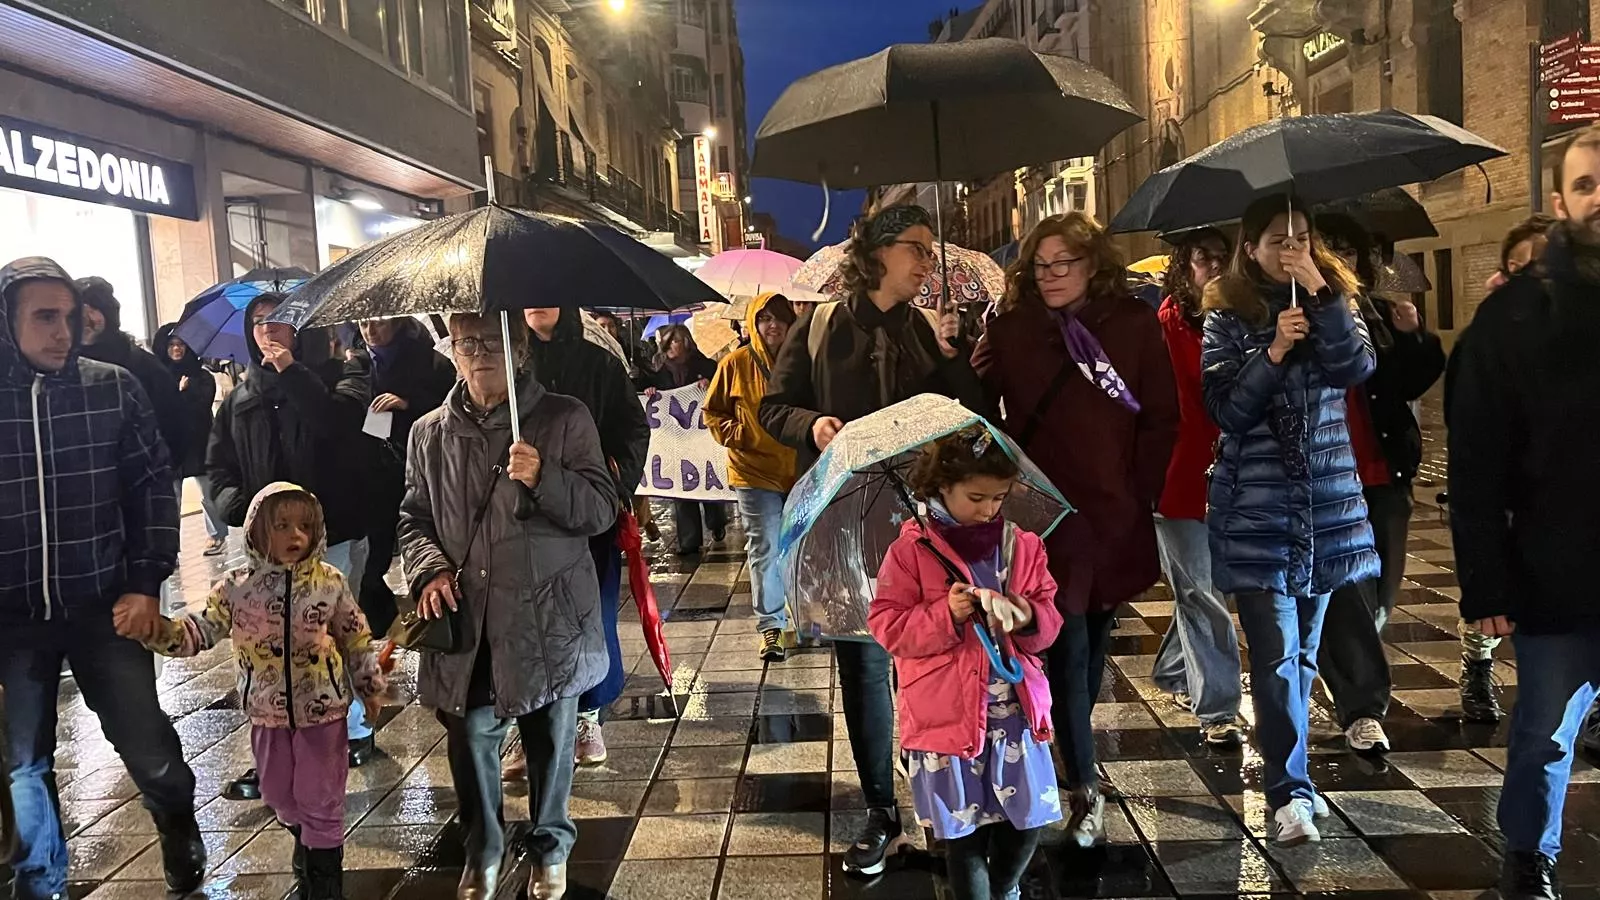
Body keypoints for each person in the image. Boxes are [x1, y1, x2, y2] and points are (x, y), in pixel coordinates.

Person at [760, 204, 990, 875]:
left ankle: (939, 800)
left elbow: (972, 414)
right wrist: (815, 425)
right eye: (917, 250)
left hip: (919, 524)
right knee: (862, 666)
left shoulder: (924, 331)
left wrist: (952, 359)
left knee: (925, 661)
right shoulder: (820, 324)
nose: (926, 264)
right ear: (880, 253)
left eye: (928, 252)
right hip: (846, 523)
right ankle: (882, 811)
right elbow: (775, 408)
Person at [0, 258, 205, 899]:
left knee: (148, 748)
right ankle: (41, 881)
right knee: (23, 765)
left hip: (104, 606)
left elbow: (152, 493)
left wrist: (146, 583)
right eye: (44, 317)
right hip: (12, 620)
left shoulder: (112, 388)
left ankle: (176, 817)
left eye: (68, 317)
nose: (63, 331)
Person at [972, 212, 1179, 847]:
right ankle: (1083, 780)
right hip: (1043, 515)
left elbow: (1161, 416)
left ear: (1094, 265)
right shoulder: (1010, 331)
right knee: (1066, 639)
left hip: (1111, 506)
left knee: (1093, 631)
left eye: (1066, 263)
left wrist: (1139, 490)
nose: (1053, 275)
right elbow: (983, 422)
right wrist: (967, 365)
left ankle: (1067, 743)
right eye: (1042, 264)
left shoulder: (1132, 324)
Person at [398, 313, 615, 900]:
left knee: (549, 738)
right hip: (470, 617)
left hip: (549, 612)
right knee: (470, 739)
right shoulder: (428, 433)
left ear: (518, 349)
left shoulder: (564, 418)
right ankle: (484, 848)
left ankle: (550, 844)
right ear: (453, 354)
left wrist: (545, 477)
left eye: (491, 341)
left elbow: (600, 509)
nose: (478, 353)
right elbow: (414, 518)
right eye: (467, 343)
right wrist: (427, 571)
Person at [1447, 124, 1600, 900]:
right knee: (1543, 734)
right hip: (1560, 570)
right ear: (1561, 201)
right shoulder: (1513, 323)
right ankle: (1526, 860)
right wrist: (1488, 583)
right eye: (1587, 185)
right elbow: (1476, 465)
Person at [1201, 195, 1377, 846]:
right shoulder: (1226, 313)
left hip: (1327, 506)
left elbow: (1355, 367)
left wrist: (1325, 297)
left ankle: (1295, 779)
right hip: (1259, 511)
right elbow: (1226, 409)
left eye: (1301, 238)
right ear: (1251, 248)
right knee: (1275, 659)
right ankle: (1288, 794)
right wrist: (1273, 350)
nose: (1290, 249)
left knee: (1303, 659)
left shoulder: (1335, 298)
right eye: (1277, 239)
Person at [119, 482, 385, 900]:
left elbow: (355, 636)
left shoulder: (329, 582)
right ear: (258, 530)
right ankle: (307, 836)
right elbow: (199, 631)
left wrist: (370, 686)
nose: (295, 535)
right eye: (281, 526)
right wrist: (159, 633)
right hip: (266, 714)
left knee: (321, 801)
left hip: (324, 713)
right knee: (280, 794)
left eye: (304, 526)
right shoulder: (236, 588)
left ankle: (324, 881)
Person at [868, 426, 1064, 900]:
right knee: (964, 837)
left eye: (999, 498)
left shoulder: (1023, 546)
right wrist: (945, 615)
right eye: (976, 497)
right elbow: (887, 626)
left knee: (1028, 821)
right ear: (941, 488)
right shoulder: (911, 551)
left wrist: (1025, 615)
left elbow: (1050, 619)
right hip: (947, 721)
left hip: (1014, 714)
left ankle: (1004, 890)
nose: (989, 509)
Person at [208, 292, 377, 797]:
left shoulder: (338, 376)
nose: (268, 331)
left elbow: (338, 426)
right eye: (259, 323)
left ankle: (352, 730)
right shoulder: (241, 398)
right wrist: (240, 508)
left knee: (333, 633)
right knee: (270, 641)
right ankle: (278, 741)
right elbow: (219, 466)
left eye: (279, 322)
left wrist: (291, 373)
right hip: (266, 548)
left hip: (334, 532)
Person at [1312, 215, 1446, 755]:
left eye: (1352, 249)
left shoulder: (1376, 312)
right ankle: (1362, 707)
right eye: (1334, 248)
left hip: (1383, 470)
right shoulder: (1300, 309)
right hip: (1329, 478)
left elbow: (1410, 380)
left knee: (1382, 594)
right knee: (1348, 593)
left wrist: (1413, 334)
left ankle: (1344, 668)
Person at [509, 305, 650, 771]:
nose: (538, 300)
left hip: (589, 513)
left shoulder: (600, 363)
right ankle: (525, 721)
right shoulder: (506, 363)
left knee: (593, 612)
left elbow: (632, 429)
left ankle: (589, 713)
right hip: (522, 518)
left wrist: (616, 479)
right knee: (523, 619)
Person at [1453, 212, 1554, 725]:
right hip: (1508, 493)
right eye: (1516, 267)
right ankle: (1477, 665)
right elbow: (1470, 441)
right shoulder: (1491, 333)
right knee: (1496, 598)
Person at [1151, 227, 1246, 747]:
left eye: (1220, 258)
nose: (1212, 267)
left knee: (1210, 589)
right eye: (1200, 259)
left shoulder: (1247, 322)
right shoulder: (1164, 326)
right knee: (1201, 593)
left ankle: (1172, 668)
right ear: (1183, 267)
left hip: (1239, 476)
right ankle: (1219, 709)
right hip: (1179, 478)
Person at [704, 292, 799, 662]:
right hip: (752, 472)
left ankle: (801, 616)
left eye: (779, 318)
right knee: (765, 547)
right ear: (754, 324)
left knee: (797, 549)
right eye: (764, 319)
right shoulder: (735, 363)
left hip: (798, 471)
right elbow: (713, 413)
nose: (772, 325)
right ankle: (771, 626)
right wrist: (739, 434)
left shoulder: (801, 363)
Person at [356, 316, 456, 636]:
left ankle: (434, 612)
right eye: (362, 324)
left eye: (378, 323)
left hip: (423, 469)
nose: (370, 331)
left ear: (398, 323)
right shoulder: (358, 366)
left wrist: (408, 404)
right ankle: (386, 621)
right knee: (375, 553)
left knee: (425, 540)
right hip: (375, 473)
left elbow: (450, 409)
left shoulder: (430, 361)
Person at [75, 277, 188, 467]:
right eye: (75, 312)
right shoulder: (63, 366)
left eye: (91, 310)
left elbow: (174, 426)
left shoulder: (143, 365)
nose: (83, 319)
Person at [642, 323, 726, 555]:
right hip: (676, 440)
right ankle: (689, 541)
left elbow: (722, 385)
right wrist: (649, 389)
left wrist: (709, 384)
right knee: (682, 487)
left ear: (686, 342)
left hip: (703, 438)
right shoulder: (660, 370)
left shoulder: (706, 365)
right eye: (665, 343)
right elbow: (649, 389)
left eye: (673, 342)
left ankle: (716, 521)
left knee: (706, 482)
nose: (668, 348)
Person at [154, 324, 229, 555]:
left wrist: (179, 394)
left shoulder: (202, 376)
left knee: (208, 494)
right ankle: (169, 549)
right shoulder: (159, 376)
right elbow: (158, 409)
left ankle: (217, 536)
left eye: (181, 345)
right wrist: (177, 392)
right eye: (172, 345)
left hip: (200, 444)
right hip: (171, 446)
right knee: (171, 499)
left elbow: (200, 407)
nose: (176, 349)